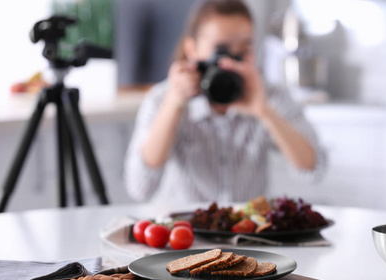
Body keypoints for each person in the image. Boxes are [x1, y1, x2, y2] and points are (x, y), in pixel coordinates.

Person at [124, 0, 325, 205]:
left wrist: (263, 111)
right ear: (192, 49)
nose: (232, 61)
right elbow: (139, 188)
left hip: (245, 230)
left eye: (244, 49)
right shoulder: (162, 98)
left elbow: (313, 169)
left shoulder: (268, 95)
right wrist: (173, 105)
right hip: (185, 231)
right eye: (221, 50)